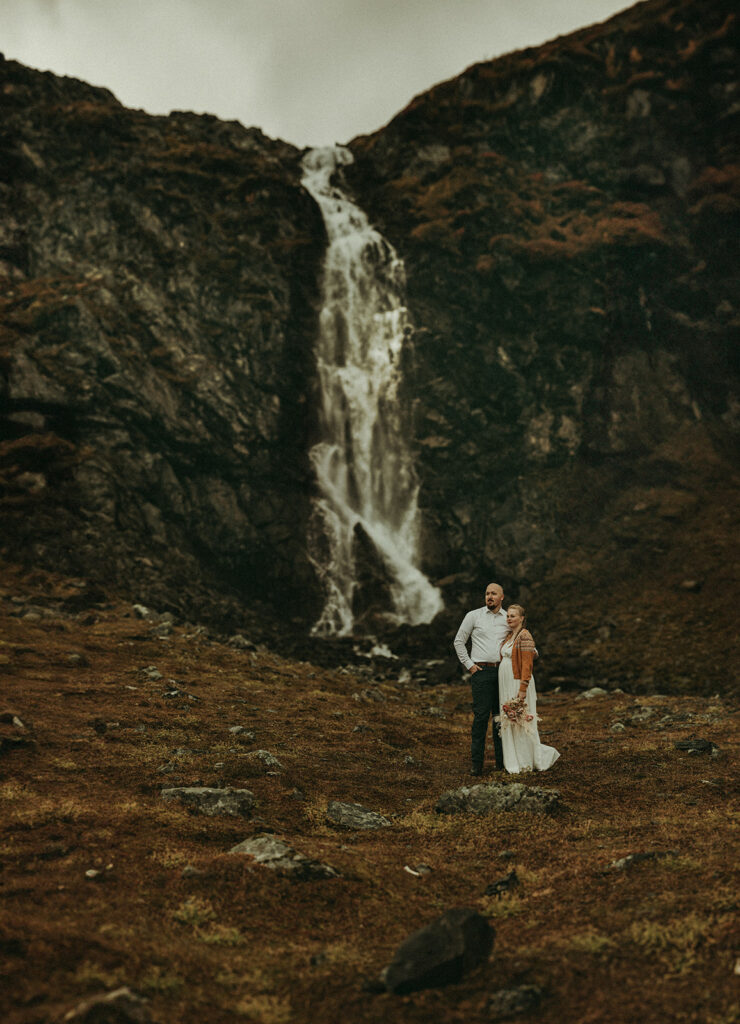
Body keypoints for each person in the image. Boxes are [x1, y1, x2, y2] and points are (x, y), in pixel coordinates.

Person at [453, 582, 509, 775]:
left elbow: (520, 638)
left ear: (502, 597)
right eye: (487, 594)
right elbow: (459, 641)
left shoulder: (508, 618)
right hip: (481, 672)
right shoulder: (473, 616)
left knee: (500, 719)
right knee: (480, 719)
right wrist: (469, 665)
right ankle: (476, 764)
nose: (489, 597)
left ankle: (501, 764)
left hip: (502, 673)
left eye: (493, 594)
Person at [497, 604, 559, 773]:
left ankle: (525, 761)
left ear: (522, 618)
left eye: (513, 616)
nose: (509, 618)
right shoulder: (509, 636)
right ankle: (513, 760)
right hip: (506, 681)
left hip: (517, 681)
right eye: (508, 616)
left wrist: (523, 687)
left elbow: (527, 663)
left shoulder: (525, 636)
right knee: (510, 719)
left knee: (521, 719)